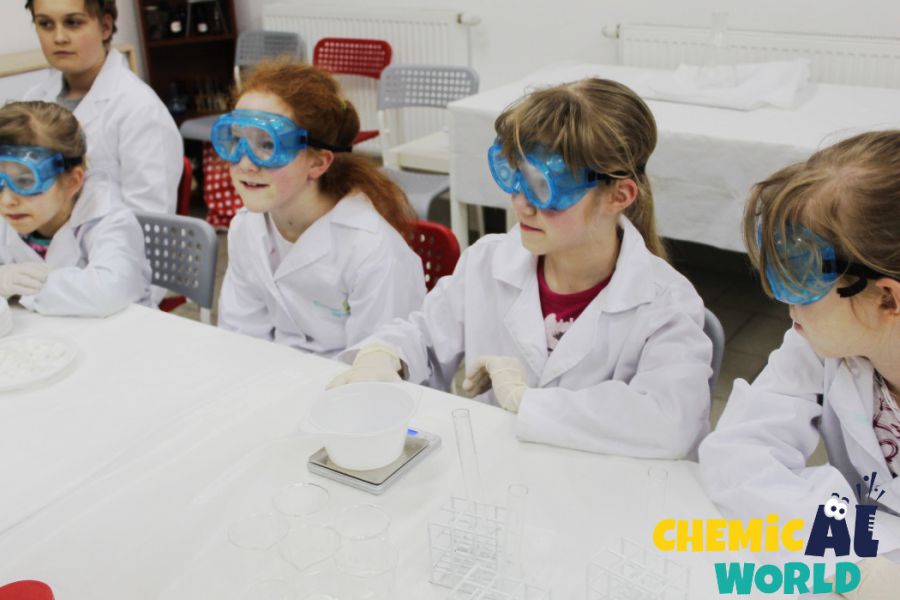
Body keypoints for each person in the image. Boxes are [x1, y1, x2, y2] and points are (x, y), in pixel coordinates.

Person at [331, 78, 712, 459]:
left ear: (619, 195)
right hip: (495, 469)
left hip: (597, 485)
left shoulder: (667, 303)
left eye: (544, 187)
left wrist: (525, 401)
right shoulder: (488, 261)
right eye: (516, 177)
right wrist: (386, 355)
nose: (522, 205)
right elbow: (426, 336)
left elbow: (668, 423)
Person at [699, 131, 900, 595]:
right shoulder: (819, 346)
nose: (784, 305)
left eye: (802, 284)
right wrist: (854, 561)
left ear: (887, 299)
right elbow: (737, 454)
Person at [215, 60, 426, 358]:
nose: (246, 163)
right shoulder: (246, 227)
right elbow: (239, 338)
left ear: (318, 162)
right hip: (272, 376)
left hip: (352, 381)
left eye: (268, 145)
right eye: (237, 140)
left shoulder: (372, 250)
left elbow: (375, 367)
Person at [23, 0, 183, 216]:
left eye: (73, 22)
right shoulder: (33, 99)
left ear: (105, 27)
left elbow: (150, 220)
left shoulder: (141, 110)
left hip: (114, 238)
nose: (59, 37)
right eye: (46, 24)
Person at [0, 101, 151, 316]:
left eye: (25, 181)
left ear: (72, 182)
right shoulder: (10, 216)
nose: (7, 200)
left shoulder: (110, 220)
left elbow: (107, 292)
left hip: (125, 330)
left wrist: (19, 288)